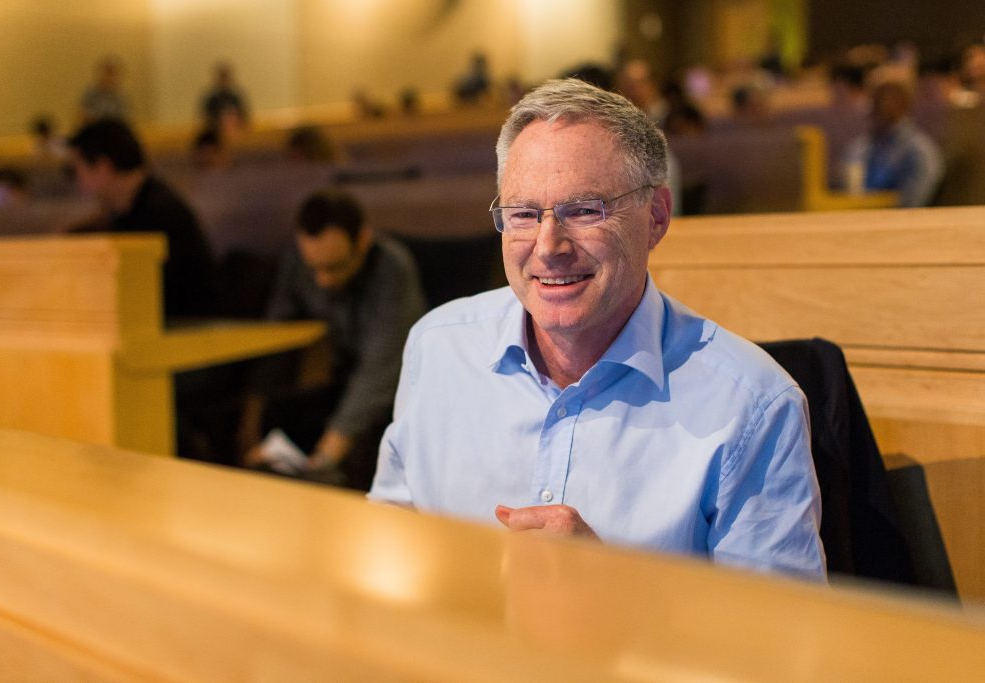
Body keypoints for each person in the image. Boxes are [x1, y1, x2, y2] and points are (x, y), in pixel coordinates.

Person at [369, 78, 826, 581]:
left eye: (584, 211)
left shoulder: (753, 405)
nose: (548, 246)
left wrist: (610, 588)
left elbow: (779, 626)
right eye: (523, 214)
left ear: (656, 217)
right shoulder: (438, 348)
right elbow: (390, 537)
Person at [240, 191, 426, 491]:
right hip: (344, 379)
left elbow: (380, 372)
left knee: (367, 443)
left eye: (334, 267)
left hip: (399, 392)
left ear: (362, 241)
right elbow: (276, 338)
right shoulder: (296, 260)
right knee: (283, 413)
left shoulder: (392, 268)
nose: (322, 281)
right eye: (313, 268)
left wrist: (325, 458)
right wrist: (251, 422)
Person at [67, 118, 217, 319]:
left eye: (77, 170)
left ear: (103, 167)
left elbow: (145, 294)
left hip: (189, 327)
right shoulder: (131, 207)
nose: (78, 181)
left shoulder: (159, 213)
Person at [841, 79, 944, 207]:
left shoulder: (919, 151)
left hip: (899, 217)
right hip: (858, 212)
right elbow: (849, 188)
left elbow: (912, 203)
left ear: (902, 106)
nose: (871, 111)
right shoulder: (863, 145)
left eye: (879, 104)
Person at [200, 61, 249, 132]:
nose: (224, 81)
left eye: (226, 78)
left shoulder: (235, 98)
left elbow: (244, 117)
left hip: (236, 132)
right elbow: (206, 120)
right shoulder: (212, 100)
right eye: (222, 78)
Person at [80, 56, 130, 123]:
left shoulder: (121, 96)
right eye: (107, 72)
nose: (109, 77)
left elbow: (125, 117)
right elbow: (83, 114)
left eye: (113, 73)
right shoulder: (90, 93)